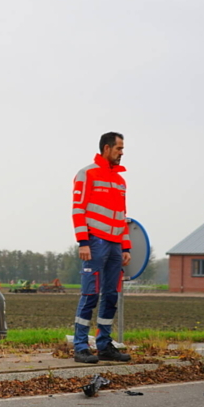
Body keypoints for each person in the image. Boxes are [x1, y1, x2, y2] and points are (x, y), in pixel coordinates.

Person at [72, 131, 132, 363]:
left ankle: (105, 345)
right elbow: (78, 209)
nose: (122, 153)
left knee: (111, 296)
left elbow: (122, 216)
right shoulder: (86, 173)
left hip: (116, 246)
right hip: (95, 243)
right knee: (90, 294)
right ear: (107, 148)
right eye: (119, 149)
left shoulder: (120, 180)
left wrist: (125, 246)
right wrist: (83, 242)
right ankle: (80, 346)